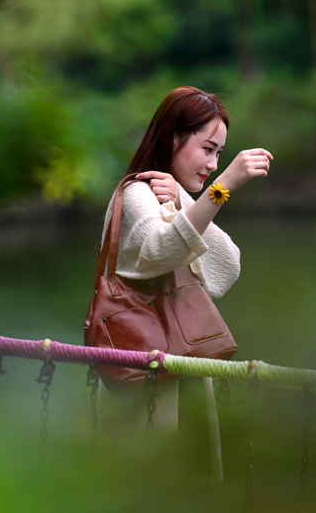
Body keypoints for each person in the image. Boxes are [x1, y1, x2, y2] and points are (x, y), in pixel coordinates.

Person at [96, 86, 273, 482]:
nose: (213, 163)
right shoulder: (137, 192)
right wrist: (221, 188)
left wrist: (182, 197)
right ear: (174, 137)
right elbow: (159, 250)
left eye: (219, 155)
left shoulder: (171, 197)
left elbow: (227, 267)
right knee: (156, 482)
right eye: (207, 149)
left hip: (178, 367)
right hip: (145, 376)